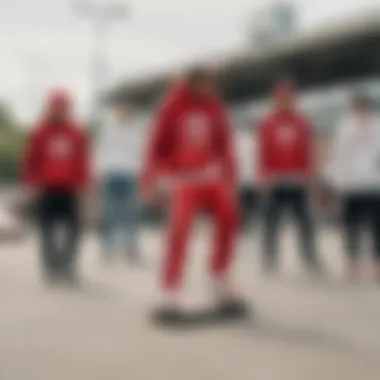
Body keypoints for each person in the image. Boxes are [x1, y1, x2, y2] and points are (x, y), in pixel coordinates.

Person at [141, 66, 244, 321]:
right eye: (205, 83)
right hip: (182, 178)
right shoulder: (171, 105)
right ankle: (170, 290)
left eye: (212, 83)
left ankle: (219, 278)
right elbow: (155, 144)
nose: (210, 88)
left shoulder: (215, 106)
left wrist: (230, 176)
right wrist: (149, 179)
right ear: (192, 82)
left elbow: (224, 143)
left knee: (229, 219)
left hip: (212, 176)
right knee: (180, 229)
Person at [21, 89, 89, 285]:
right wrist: (31, 183)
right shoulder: (39, 131)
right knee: (47, 231)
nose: (60, 111)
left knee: (74, 229)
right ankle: (52, 268)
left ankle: (67, 266)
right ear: (49, 109)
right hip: (46, 188)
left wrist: (83, 183)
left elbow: (82, 160)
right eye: (56, 108)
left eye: (63, 108)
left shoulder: (76, 132)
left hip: (69, 188)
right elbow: (30, 159)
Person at [256, 79, 321, 275]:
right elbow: (263, 151)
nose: (285, 100)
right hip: (275, 179)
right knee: (270, 222)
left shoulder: (302, 121)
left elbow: (308, 150)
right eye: (281, 97)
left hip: (298, 179)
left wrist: (310, 177)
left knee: (306, 222)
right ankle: (270, 259)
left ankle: (309, 258)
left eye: (288, 97)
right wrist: (262, 176)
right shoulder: (267, 122)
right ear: (275, 99)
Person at [327, 94, 380, 281]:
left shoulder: (377, 126)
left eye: (365, 108)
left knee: (377, 226)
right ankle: (352, 262)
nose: (362, 112)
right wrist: (336, 181)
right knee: (351, 225)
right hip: (351, 185)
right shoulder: (345, 128)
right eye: (359, 108)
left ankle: (376, 264)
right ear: (354, 109)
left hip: (374, 184)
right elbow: (338, 155)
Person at [94, 101, 143, 262]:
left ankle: (130, 246)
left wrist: (140, 174)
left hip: (128, 175)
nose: (124, 116)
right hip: (110, 174)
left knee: (130, 213)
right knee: (108, 213)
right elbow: (99, 152)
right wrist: (97, 173)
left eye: (127, 113)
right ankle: (107, 247)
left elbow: (140, 154)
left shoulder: (135, 132)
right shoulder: (108, 131)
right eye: (121, 112)